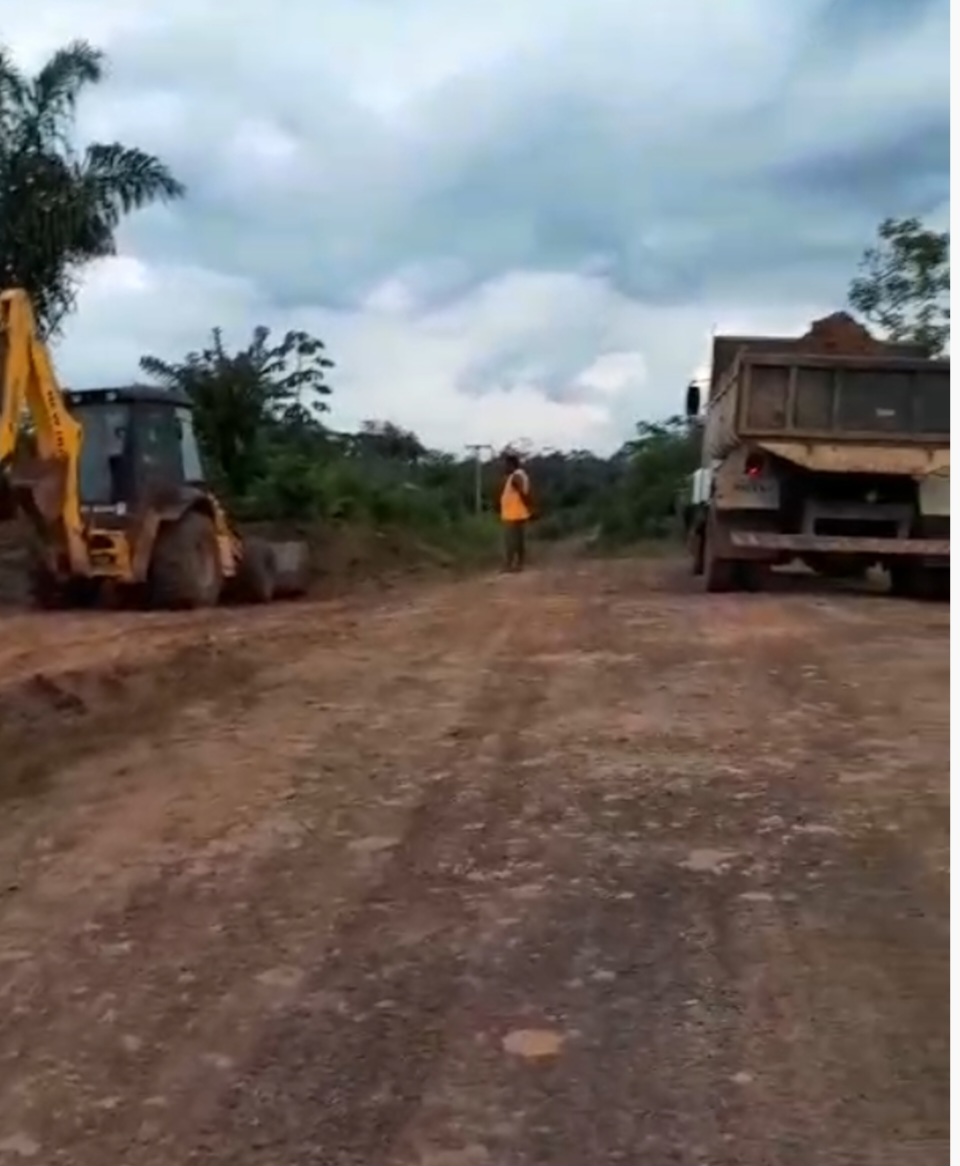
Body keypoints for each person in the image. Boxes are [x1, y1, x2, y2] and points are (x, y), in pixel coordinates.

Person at [499, 450, 534, 572]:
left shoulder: (516, 476)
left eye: (506, 464)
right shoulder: (521, 475)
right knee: (519, 540)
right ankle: (519, 564)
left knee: (510, 540)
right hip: (518, 512)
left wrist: (529, 506)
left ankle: (509, 565)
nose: (504, 467)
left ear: (511, 464)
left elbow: (522, 494)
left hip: (513, 513)